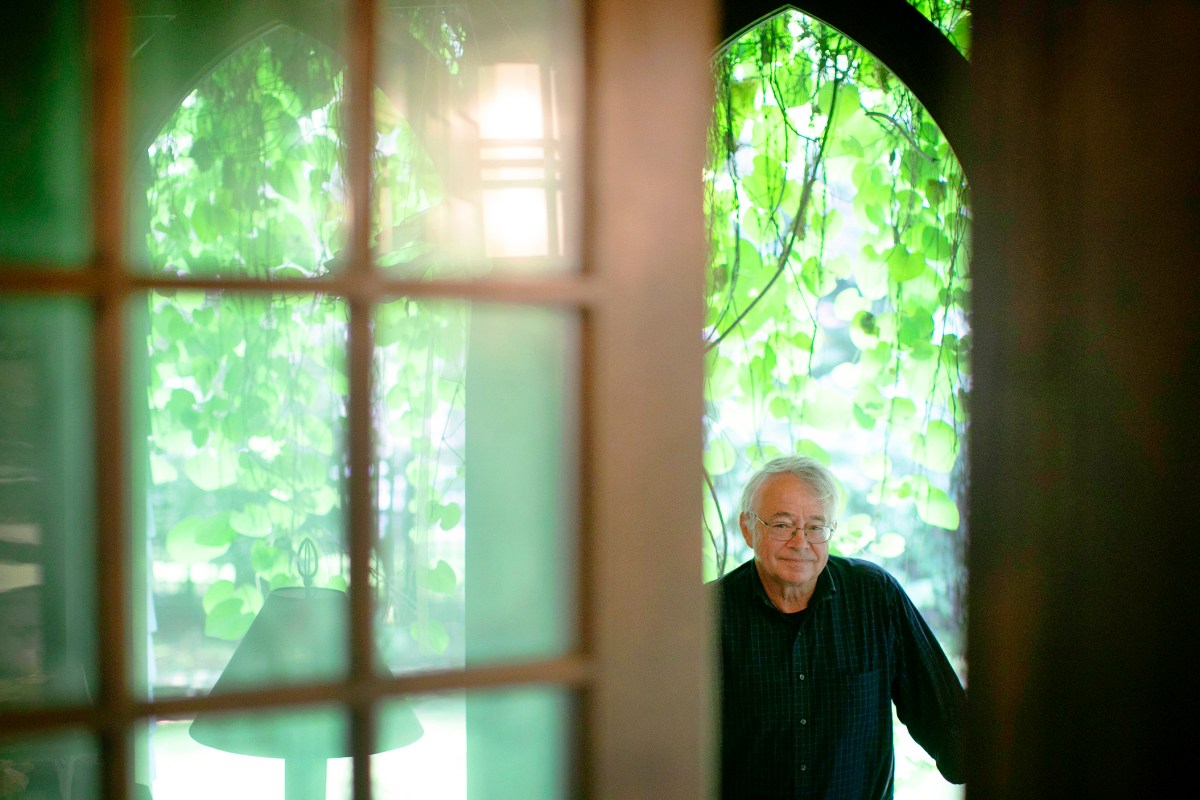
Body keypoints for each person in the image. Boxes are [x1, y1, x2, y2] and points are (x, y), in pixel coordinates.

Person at [713, 455, 966, 799]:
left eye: (816, 527)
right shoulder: (708, 614)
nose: (800, 542)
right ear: (748, 528)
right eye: (782, 525)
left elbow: (949, 724)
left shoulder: (876, 597)